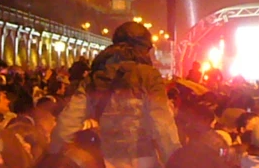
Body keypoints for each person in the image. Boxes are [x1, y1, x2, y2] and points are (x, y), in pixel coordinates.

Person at [53, 21, 181, 168]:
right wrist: (174, 160)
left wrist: (54, 154)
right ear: (143, 47)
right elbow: (163, 127)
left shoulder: (95, 77)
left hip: (107, 159)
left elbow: (66, 125)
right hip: (143, 160)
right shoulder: (149, 76)